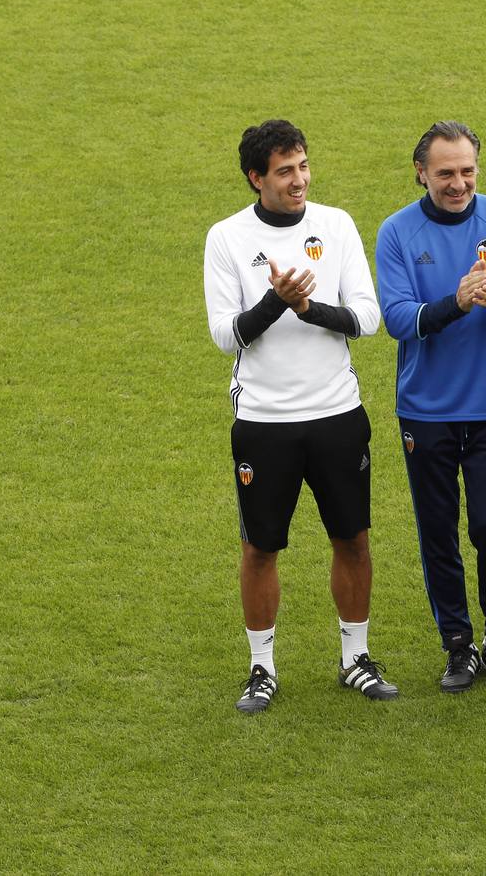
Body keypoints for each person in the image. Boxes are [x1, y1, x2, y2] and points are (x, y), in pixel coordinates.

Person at [203, 119, 398, 714]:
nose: (299, 180)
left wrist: (308, 308)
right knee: (260, 548)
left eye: (304, 167)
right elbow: (224, 334)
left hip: (337, 414)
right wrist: (275, 301)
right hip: (263, 422)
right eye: (285, 171)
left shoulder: (335, 225)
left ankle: (355, 659)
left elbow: (368, 318)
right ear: (255, 178)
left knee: (354, 540)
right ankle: (261, 667)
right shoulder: (227, 238)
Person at [376, 121, 486, 693]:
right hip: (426, 411)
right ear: (420, 172)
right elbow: (398, 319)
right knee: (438, 530)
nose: (458, 183)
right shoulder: (397, 231)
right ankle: (457, 644)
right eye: (445, 173)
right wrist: (456, 300)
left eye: (467, 171)